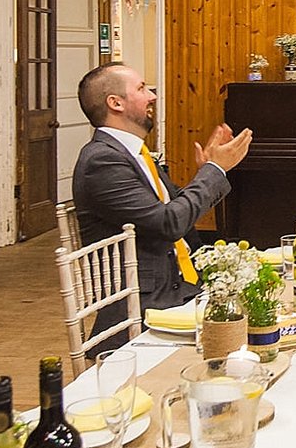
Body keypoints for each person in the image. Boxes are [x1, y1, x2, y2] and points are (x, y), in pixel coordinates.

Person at [72, 63, 253, 322]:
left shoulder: (134, 154)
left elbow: (177, 210)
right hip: (147, 303)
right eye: (141, 88)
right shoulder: (102, 162)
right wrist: (215, 170)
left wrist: (206, 172)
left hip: (181, 286)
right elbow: (170, 224)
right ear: (116, 103)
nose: (152, 96)